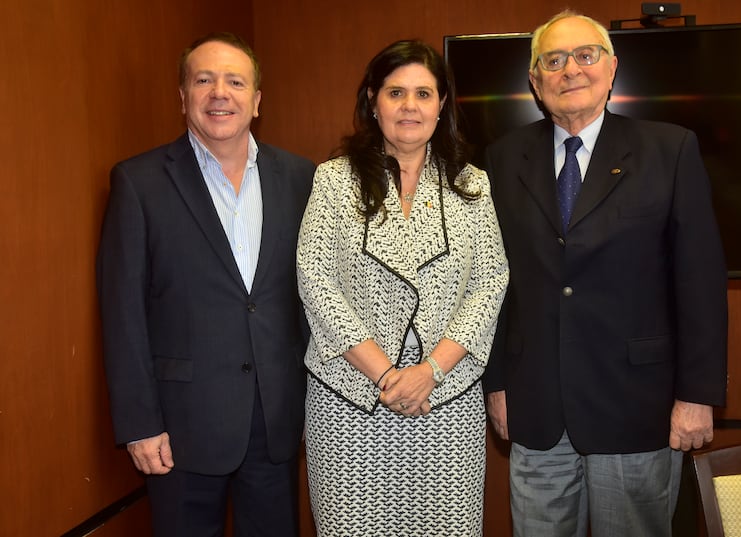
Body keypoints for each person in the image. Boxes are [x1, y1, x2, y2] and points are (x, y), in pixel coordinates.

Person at [483, 10, 728, 537]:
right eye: (553, 60)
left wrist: (697, 395)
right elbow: (494, 284)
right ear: (535, 80)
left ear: (611, 67)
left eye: (585, 55)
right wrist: (497, 385)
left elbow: (700, 282)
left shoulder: (670, 149)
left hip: (636, 406)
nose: (570, 69)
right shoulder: (502, 159)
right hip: (536, 408)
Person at [96, 32, 315, 537]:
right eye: (204, 80)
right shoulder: (139, 182)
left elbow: (310, 298)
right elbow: (122, 312)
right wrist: (139, 423)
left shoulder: (302, 178)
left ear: (257, 101)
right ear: (183, 96)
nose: (221, 93)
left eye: (236, 82)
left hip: (275, 423)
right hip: (180, 429)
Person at [296, 39, 509, 536]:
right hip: (350, 400)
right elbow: (316, 279)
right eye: (395, 93)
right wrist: (387, 374)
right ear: (373, 101)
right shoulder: (334, 180)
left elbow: (490, 282)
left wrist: (429, 371)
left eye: (423, 93)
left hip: (445, 401)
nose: (409, 106)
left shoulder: (472, 184)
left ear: (442, 106)